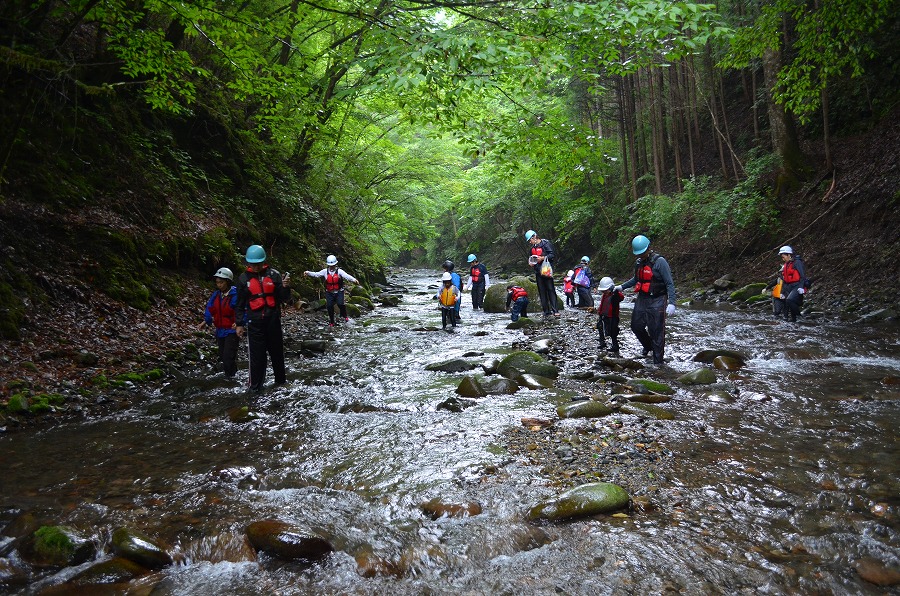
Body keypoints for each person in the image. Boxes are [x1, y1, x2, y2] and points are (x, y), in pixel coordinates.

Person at [235, 245, 291, 391]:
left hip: (273, 320)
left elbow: (284, 298)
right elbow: (240, 304)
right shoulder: (243, 279)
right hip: (255, 323)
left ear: (263, 261)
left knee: (277, 353)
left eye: (258, 264)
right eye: (253, 264)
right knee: (257, 357)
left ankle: (281, 383)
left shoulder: (274, 275)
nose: (256, 267)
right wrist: (239, 324)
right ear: (248, 263)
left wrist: (285, 287)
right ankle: (256, 388)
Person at [618, 235, 676, 366]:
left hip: (658, 299)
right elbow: (636, 280)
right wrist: (621, 286)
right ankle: (648, 346)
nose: (641, 256)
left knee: (656, 330)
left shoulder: (660, 262)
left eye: (643, 253)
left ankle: (658, 363)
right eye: (638, 254)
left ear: (648, 248)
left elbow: (669, 283)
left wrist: (672, 302)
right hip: (643, 298)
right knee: (636, 326)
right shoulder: (638, 263)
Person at [198, 267, 239, 377]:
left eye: (221, 282)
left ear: (228, 282)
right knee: (223, 355)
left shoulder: (235, 295)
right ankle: (233, 375)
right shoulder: (216, 295)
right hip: (220, 330)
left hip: (232, 330)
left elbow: (241, 310)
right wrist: (206, 321)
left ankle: (231, 378)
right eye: (217, 283)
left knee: (228, 356)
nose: (219, 285)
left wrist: (239, 322)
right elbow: (210, 308)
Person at [304, 255, 359, 327]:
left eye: (333, 265)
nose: (332, 267)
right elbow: (316, 274)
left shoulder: (339, 271)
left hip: (339, 291)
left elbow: (346, 276)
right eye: (330, 265)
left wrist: (354, 280)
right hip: (329, 292)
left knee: (340, 304)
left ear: (335, 264)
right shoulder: (324, 271)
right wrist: (308, 272)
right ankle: (332, 321)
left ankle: (345, 316)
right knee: (329, 306)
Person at [524, 230, 559, 317]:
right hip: (538, 271)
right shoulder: (532, 248)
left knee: (550, 289)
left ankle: (555, 310)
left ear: (534, 237)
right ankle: (546, 311)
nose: (530, 242)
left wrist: (542, 258)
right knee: (542, 291)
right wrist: (531, 263)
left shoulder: (546, 243)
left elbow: (552, 255)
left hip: (547, 271)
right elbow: (531, 258)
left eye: (530, 240)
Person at [776, 245, 809, 322]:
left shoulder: (797, 262)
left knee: (790, 300)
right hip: (788, 286)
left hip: (797, 285)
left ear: (789, 254)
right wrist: (782, 292)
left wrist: (801, 287)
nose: (782, 258)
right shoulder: (786, 265)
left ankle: (799, 316)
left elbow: (802, 276)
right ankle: (793, 319)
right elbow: (784, 280)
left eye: (783, 256)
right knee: (788, 302)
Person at [596, 276, 625, 352]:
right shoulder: (604, 295)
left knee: (613, 331)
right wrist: (599, 311)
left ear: (611, 288)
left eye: (605, 290)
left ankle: (615, 345)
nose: (604, 292)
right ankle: (602, 342)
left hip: (613, 317)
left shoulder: (615, 295)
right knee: (600, 327)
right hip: (604, 315)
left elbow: (622, 297)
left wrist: (615, 291)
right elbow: (602, 304)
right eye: (603, 291)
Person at [442, 259, 463, 323]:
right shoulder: (447, 276)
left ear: (447, 268)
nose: (443, 270)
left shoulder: (454, 276)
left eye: (444, 268)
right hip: (448, 301)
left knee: (454, 317)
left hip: (454, 300)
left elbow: (457, 287)